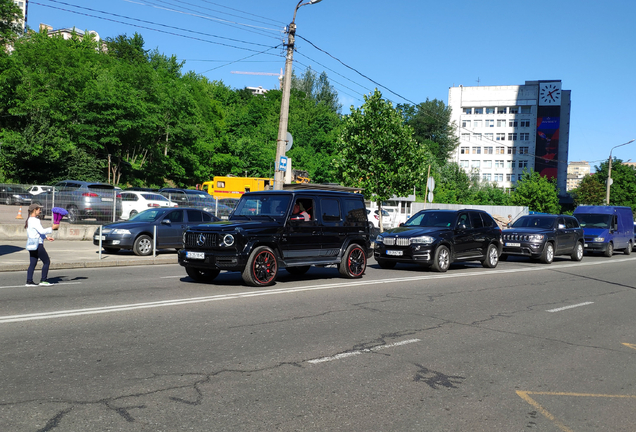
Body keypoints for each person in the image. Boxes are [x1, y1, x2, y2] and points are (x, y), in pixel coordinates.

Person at [25, 203, 59, 287]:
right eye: (38, 209)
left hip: (31, 244)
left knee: (33, 263)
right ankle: (43, 280)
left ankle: (29, 281)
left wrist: (46, 237)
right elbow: (42, 231)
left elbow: (37, 232)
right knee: (46, 261)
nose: (40, 211)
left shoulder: (29, 220)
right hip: (38, 244)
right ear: (34, 210)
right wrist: (52, 228)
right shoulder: (35, 220)